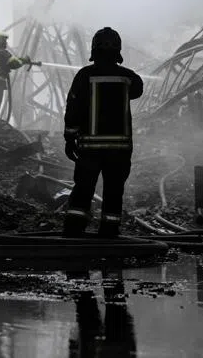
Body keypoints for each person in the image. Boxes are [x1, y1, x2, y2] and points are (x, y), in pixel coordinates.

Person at [62, 27, 144, 238]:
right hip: (119, 148)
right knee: (114, 191)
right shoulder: (129, 78)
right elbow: (137, 91)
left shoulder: (84, 75)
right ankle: (109, 232)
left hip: (90, 147)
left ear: (94, 49)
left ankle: (73, 231)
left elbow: (73, 107)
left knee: (83, 189)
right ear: (118, 49)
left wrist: (69, 137)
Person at [0, 32, 34, 119]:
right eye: (4, 40)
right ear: (0, 41)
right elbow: (15, 63)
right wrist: (25, 60)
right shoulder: (4, 53)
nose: (6, 42)